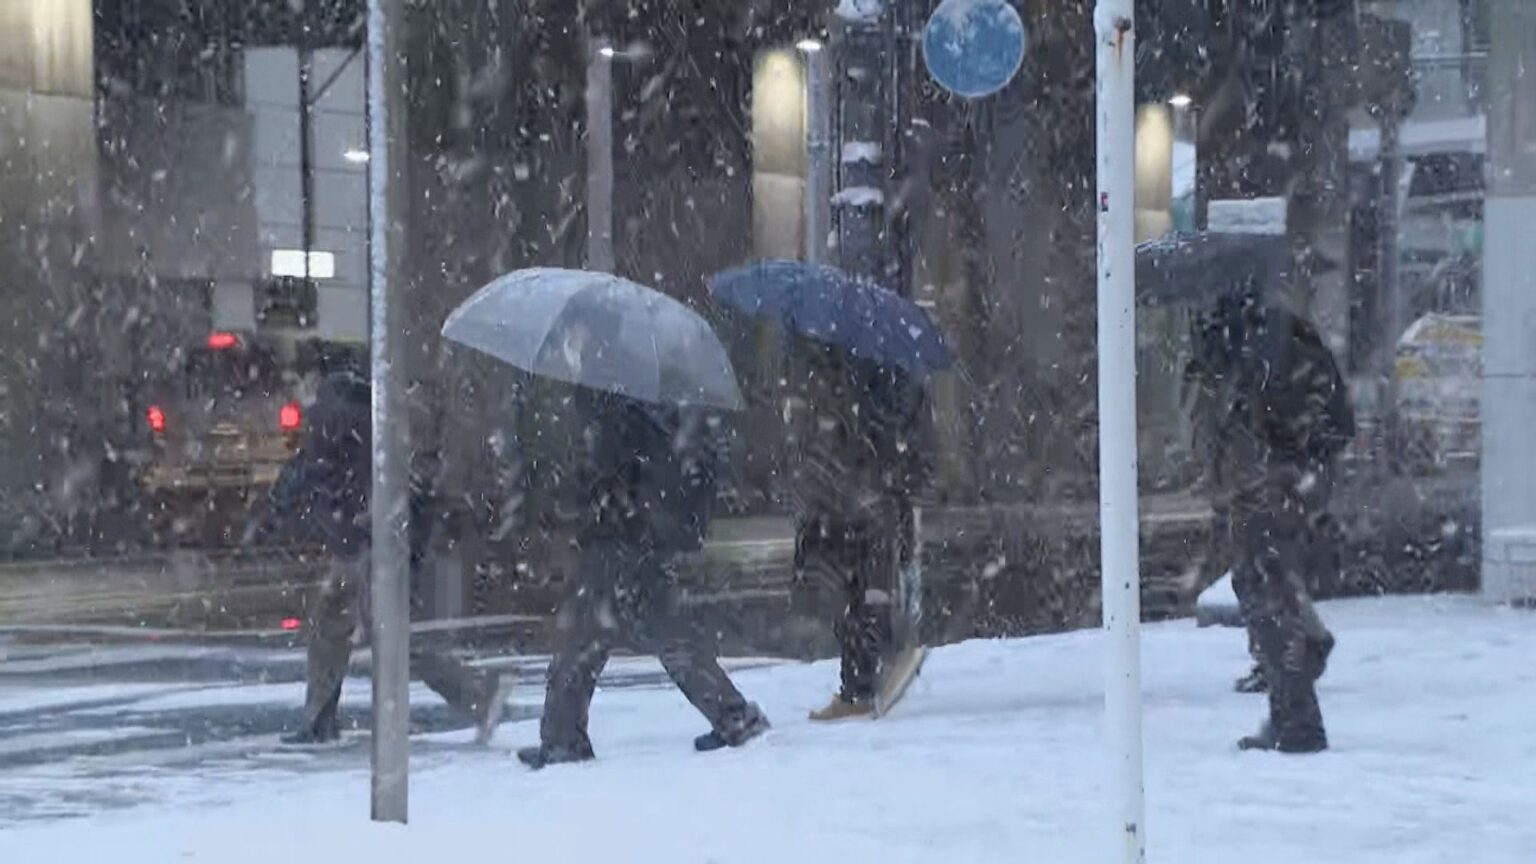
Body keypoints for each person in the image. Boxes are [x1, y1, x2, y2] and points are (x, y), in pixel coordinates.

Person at [250, 365, 509, 746]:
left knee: (385, 637)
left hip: (367, 544)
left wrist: (273, 511)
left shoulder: (332, 422)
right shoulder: (369, 421)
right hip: (369, 541)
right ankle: (322, 718)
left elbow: (311, 476)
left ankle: (480, 695)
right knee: (339, 628)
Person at [516, 389, 769, 769]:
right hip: (641, 535)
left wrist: (579, 480)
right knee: (663, 630)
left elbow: (607, 465)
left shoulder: (609, 395)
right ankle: (733, 715)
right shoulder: (642, 393)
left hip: (616, 534)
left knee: (581, 635)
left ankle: (563, 739)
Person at [1187, 288, 1352, 752]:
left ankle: (1298, 719)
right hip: (1292, 478)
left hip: (1279, 481)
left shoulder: (1251, 343)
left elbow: (1258, 425)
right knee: (1267, 581)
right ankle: (1301, 673)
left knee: (1262, 587)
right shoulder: (1269, 332)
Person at [787, 345, 932, 721]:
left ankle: (861, 684)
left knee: (858, 598)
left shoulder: (864, 384)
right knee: (864, 596)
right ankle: (864, 679)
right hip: (865, 506)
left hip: (857, 509)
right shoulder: (890, 376)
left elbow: (874, 448)